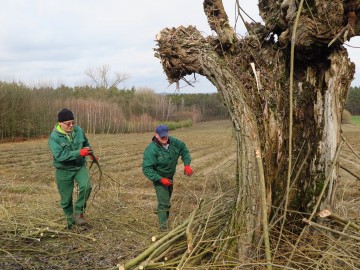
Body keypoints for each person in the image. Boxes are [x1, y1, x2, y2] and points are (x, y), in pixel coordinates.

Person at [49, 108, 94, 229]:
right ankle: (71, 224)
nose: (71, 125)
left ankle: (78, 212)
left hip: (79, 166)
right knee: (66, 199)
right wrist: (79, 152)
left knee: (87, 186)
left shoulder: (79, 130)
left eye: (72, 122)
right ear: (60, 123)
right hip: (63, 169)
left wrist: (91, 154)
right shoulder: (54, 137)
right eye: (68, 123)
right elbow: (60, 156)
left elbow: (86, 143)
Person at [142, 124, 193, 230]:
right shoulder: (151, 150)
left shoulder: (174, 142)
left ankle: (164, 218)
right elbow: (147, 169)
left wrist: (187, 164)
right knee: (164, 203)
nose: (164, 139)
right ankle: (163, 229)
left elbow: (184, 149)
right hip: (159, 178)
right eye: (162, 137)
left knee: (167, 201)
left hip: (170, 177)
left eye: (165, 136)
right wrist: (160, 179)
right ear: (156, 135)